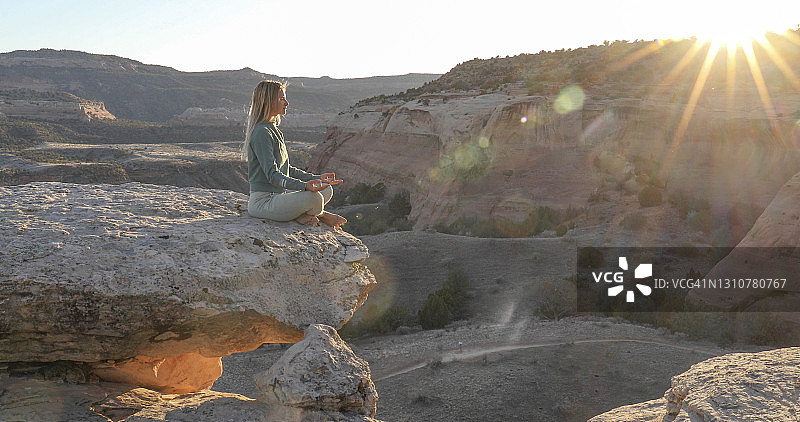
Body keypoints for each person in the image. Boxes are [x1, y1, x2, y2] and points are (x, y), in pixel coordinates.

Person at [243, 80, 347, 229]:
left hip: (279, 197)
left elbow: (287, 169)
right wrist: (304, 186)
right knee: (314, 198)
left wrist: (317, 179)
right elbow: (272, 175)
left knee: (326, 188)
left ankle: (300, 214)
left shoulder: (274, 130)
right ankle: (322, 215)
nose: (287, 103)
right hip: (263, 202)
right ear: (267, 101)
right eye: (281, 99)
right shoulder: (262, 133)